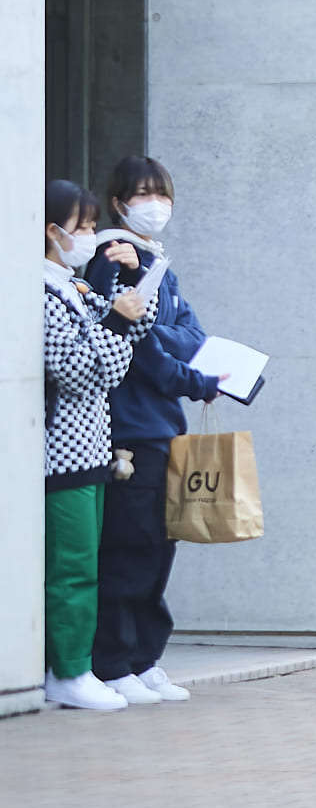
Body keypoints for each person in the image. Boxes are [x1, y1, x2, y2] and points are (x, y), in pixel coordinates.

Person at [81, 156, 217, 702]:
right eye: (142, 194)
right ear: (117, 203)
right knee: (128, 548)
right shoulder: (107, 262)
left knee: (159, 546)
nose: (154, 205)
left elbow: (190, 332)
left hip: (164, 427)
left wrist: (170, 340)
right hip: (128, 428)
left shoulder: (158, 263)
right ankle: (113, 661)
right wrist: (190, 372)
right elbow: (140, 346)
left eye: (161, 193)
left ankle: (143, 658)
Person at [41, 181, 147, 712]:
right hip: (60, 452)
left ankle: (74, 667)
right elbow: (81, 370)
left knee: (86, 563)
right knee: (71, 567)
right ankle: (67, 671)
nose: (89, 237)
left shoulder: (72, 286)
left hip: (89, 449)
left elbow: (127, 342)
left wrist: (131, 278)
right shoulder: (40, 293)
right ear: (50, 231)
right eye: (81, 229)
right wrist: (114, 323)